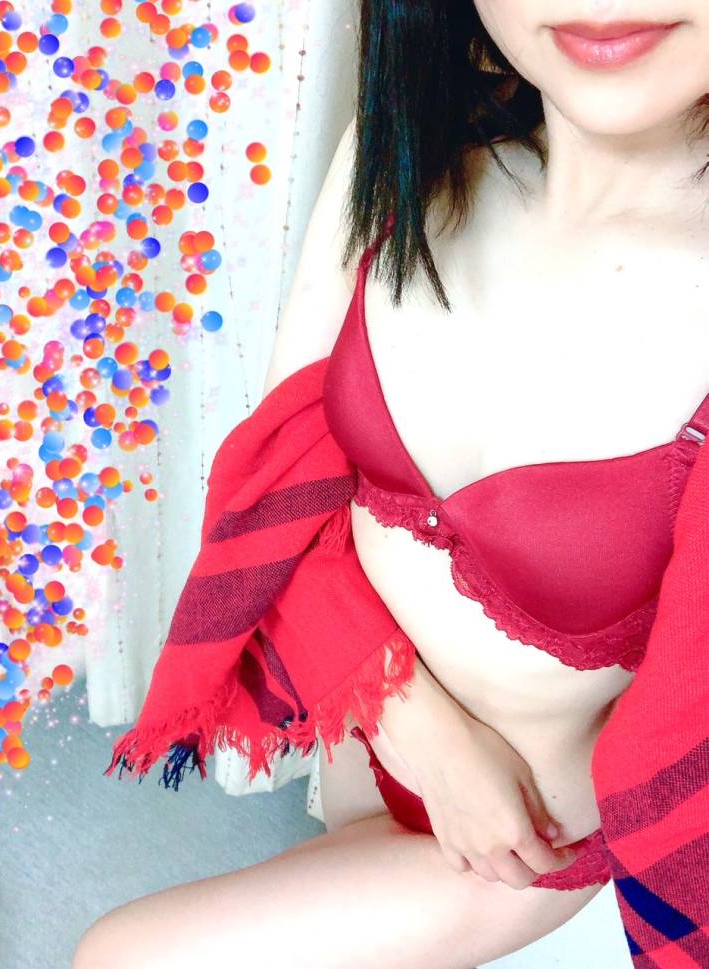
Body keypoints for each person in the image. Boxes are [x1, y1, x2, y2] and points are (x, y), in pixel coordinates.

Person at [73, 3, 709, 967]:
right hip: (370, 733)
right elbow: (272, 484)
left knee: (117, 956)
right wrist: (420, 732)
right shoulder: (410, 149)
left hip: (515, 847)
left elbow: (683, 739)